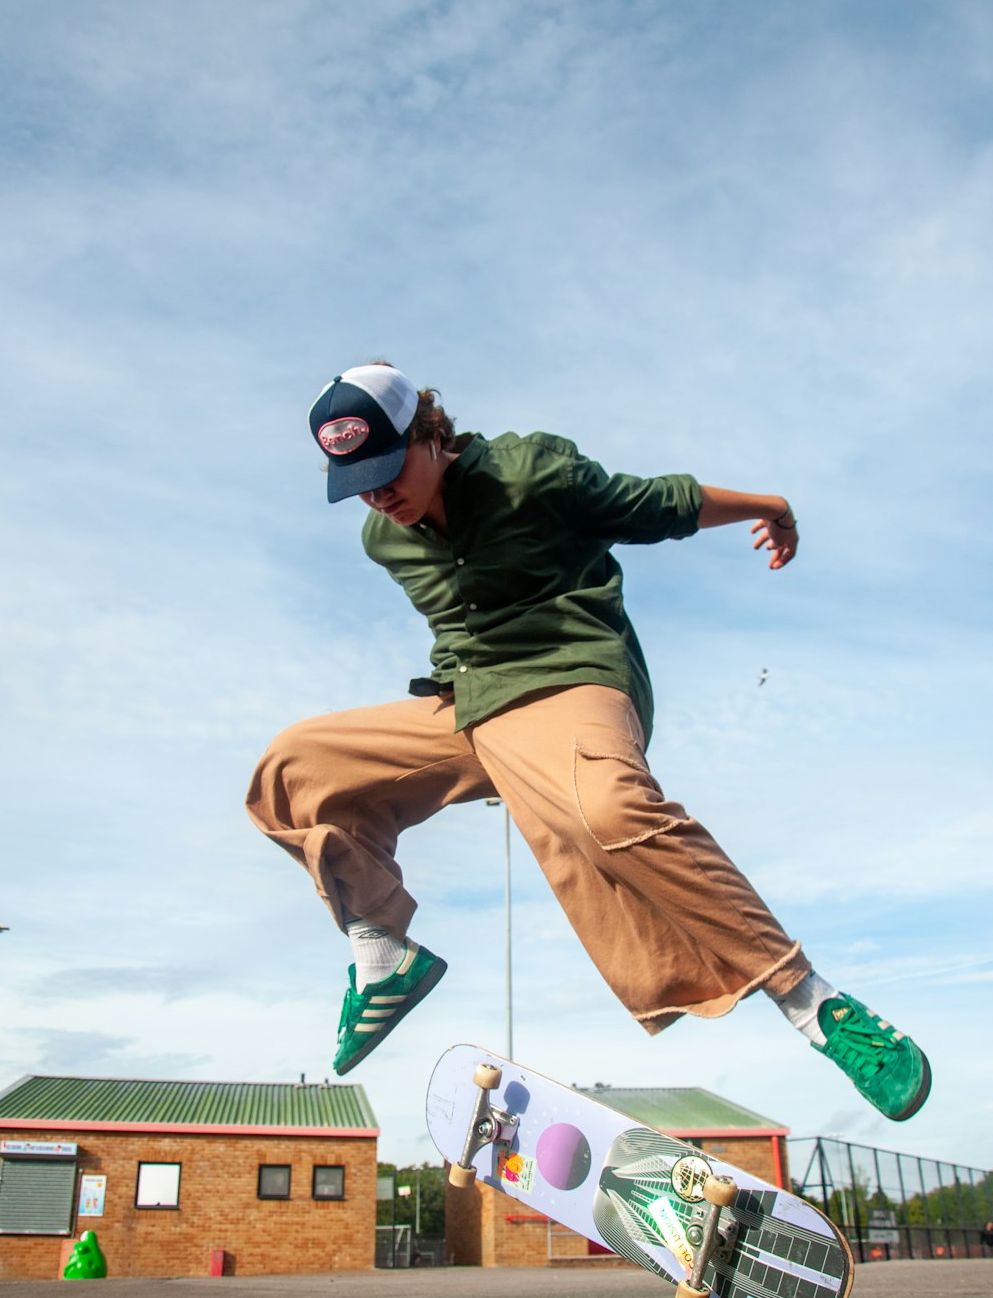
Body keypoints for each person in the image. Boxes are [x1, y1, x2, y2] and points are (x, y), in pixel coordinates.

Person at [246, 362, 931, 1122]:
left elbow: (659, 503)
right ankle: (382, 954)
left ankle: (816, 1006)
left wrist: (769, 506)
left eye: (387, 469)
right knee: (294, 766)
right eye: (359, 483)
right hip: (471, 706)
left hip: (572, 680)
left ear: (430, 434)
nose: (379, 496)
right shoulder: (386, 537)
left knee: (604, 810)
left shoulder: (530, 471)